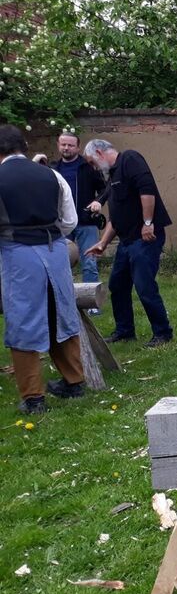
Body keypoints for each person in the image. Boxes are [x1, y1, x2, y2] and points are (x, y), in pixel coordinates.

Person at [0, 125, 85, 414]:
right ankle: (75, 381)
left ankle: (34, 398)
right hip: (56, 252)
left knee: (23, 319)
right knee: (60, 312)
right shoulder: (53, 174)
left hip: (17, 254)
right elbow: (69, 221)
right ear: (21, 147)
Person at [84, 139, 174, 347]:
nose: (93, 167)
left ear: (99, 152)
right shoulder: (113, 176)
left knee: (144, 286)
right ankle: (125, 331)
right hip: (127, 240)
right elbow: (116, 217)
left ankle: (163, 332)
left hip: (145, 237)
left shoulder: (130, 159)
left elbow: (147, 190)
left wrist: (148, 222)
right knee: (118, 285)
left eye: (92, 162)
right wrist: (103, 243)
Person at [52, 132, 107, 287]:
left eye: (70, 145)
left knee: (89, 263)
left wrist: (98, 202)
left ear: (78, 147)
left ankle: (91, 303)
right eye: (63, 144)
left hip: (86, 222)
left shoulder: (88, 167)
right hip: (62, 224)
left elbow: (105, 189)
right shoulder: (53, 169)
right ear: (58, 145)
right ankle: (65, 300)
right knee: (61, 263)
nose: (66, 148)